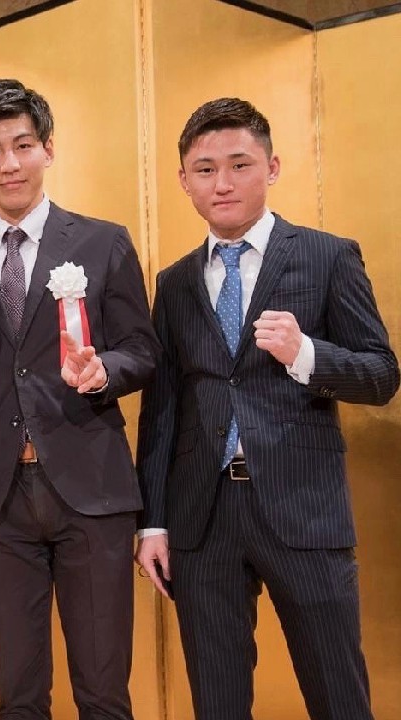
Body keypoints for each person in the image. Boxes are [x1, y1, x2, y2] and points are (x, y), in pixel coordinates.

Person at [135, 97, 399, 720]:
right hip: (202, 519)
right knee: (218, 701)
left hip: (304, 508)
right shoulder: (174, 281)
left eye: (240, 165)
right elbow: (162, 407)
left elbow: (381, 375)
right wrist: (154, 522)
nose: (222, 183)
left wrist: (306, 353)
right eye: (205, 170)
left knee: (338, 694)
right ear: (183, 180)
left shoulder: (327, 256)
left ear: (272, 167)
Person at [0, 78, 159, 720]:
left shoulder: (102, 242)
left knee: (104, 692)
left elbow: (143, 350)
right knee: (19, 695)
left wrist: (104, 370)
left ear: (48, 149)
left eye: (23, 145)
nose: (10, 164)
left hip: (92, 492)